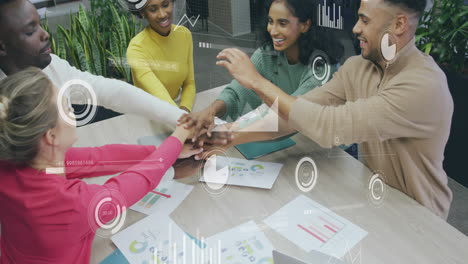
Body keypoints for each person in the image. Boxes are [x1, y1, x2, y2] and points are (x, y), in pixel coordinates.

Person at [205, 0, 454, 219]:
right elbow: (296, 117)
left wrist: (257, 83)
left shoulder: (424, 85)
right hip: (376, 200)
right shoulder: (357, 68)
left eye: (364, 20)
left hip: (419, 218)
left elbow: (329, 126)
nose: (355, 28)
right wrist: (223, 138)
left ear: (398, 25)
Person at [0, 67, 201, 264]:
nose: (73, 111)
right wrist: (177, 137)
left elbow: (97, 158)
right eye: (67, 107)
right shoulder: (71, 204)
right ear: (51, 136)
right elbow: (132, 184)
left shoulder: (21, 160)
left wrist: (164, 150)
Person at [0, 0, 184, 125]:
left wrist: (181, 119)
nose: (45, 34)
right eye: (30, 32)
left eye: (40, 24)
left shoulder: (52, 67)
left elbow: (111, 91)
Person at [179, 0, 342, 136]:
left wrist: (227, 133)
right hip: (292, 144)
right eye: (271, 22)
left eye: (282, 23)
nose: (273, 30)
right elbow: (237, 92)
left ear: (305, 25)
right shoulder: (267, 53)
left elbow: (294, 116)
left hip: (325, 149)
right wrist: (211, 111)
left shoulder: (322, 69)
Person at [127, 0, 196, 112]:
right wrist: (181, 117)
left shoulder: (184, 34)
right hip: (148, 113)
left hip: (176, 108)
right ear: (143, 12)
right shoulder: (136, 49)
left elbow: (189, 83)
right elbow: (158, 93)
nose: (163, 14)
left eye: (165, 5)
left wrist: (185, 109)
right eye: (153, 9)